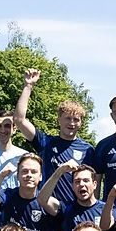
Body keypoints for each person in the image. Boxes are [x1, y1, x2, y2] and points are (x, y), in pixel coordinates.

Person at [14, 68, 95, 204]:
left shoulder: (87, 150)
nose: (72, 123)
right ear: (59, 119)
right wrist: (28, 86)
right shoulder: (45, 142)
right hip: (46, 207)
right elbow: (19, 119)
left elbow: (94, 183)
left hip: (73, 213)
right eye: (68, 118)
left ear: (81, 123)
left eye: (76, 119)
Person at [37, 161, 115, 231]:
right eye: (77, 181)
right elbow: (42, 199)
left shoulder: (107, 208)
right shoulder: (66, 208)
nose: (81, 184)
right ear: (73, 186)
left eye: (86, 180)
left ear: (95, 184)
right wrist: (59, 172)